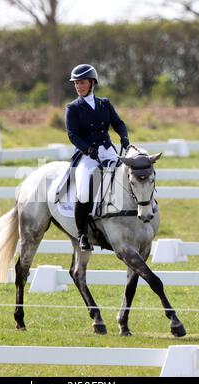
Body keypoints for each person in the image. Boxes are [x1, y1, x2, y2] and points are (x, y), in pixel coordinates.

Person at [65, 63, 130, 251]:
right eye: (76, 83)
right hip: (86, 155)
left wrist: (124, 137)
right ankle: (82, 234)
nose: (79, 86)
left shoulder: (105, 104)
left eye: (82, 82)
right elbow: (72, 135)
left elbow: (118, 123)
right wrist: (88, 150)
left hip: (108, 150)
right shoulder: (73, 108)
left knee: (125, 180)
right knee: (85, 191)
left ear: (92, 83)